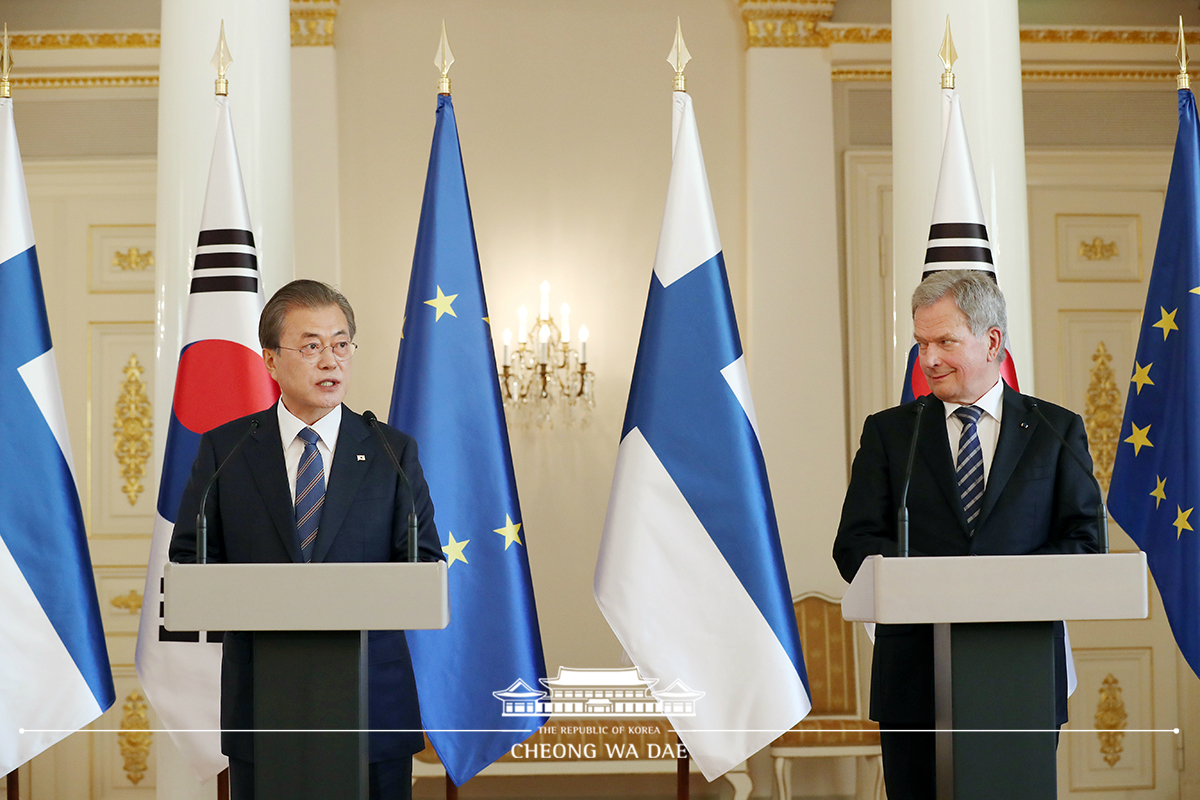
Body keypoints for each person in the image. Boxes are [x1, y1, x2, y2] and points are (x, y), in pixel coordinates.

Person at [170, 279, 444, 800]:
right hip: (264, 706)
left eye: (341, 344)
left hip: (371, 705)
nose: (330, 361)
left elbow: (422, 564)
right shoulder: (228, 450)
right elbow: (190, 561)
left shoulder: (391, 453)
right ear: (271, 360)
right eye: (312, 346)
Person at [832, 269, 1100, 799]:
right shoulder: (890, 434)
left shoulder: (1056, 430)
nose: (928, 359)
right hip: (915, 679)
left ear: (992, 341)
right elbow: (855, 544)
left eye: (945, 342)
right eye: (921, 343)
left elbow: (1084, 541)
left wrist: (996, 584)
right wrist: (938, 582)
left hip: (1020, 670)